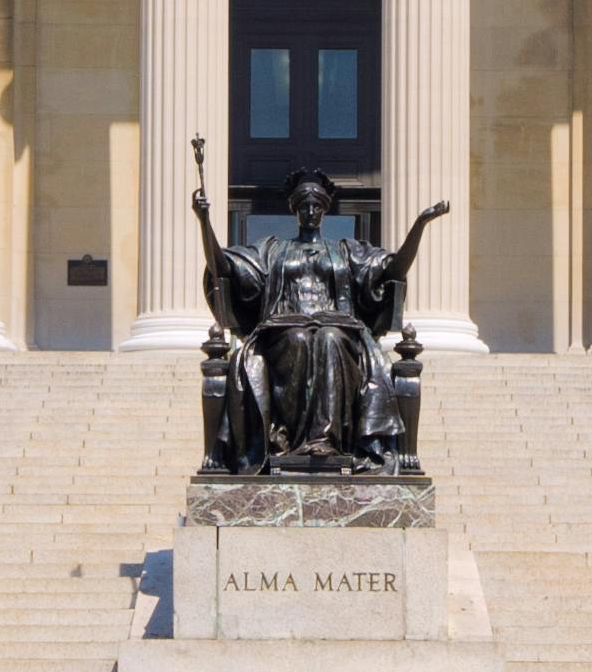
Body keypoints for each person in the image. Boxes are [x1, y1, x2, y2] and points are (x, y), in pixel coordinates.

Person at [188, 149, 444, 474]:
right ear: (295, 210)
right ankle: (285, 442)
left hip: (338, 329)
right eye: (304, 206)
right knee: (297, 339)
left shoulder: (344, 251)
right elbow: (223, 267)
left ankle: (324, 440)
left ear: (324, 211)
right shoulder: (273, 249)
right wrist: (204, 222)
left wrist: (419, 226)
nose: (310, 211)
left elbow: (392, 269)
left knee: (330, 339)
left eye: (317, 206)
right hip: (282, 330)